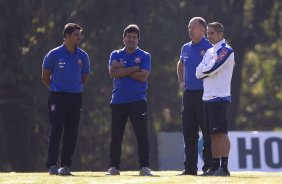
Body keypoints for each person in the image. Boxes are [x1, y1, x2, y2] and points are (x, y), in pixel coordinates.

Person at [41, 23, 90, 176]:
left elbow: (85, 77)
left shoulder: (83, 56)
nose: (78, 38)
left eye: (79, 35)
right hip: (57, 98)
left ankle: (66, 165)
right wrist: (56, 88)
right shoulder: (54, 54)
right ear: (67, 36)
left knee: (72, 132)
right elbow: (45, 76)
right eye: (76, 35)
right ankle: (52, 165)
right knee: (56, 130)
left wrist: (74, 88)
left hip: (75, 98)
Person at [106, 24, 152, 176]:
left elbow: (143, 76)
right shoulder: (115, 54)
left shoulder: (145, 55)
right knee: (116, 136)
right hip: (118, 101)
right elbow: (113, 73)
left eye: (134, 37)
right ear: (123, 38)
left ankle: (144, 167)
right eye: (129, 37)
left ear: (138, 39)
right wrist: (134, 68)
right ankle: (114, 167)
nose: (131, 40)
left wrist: (123, 69)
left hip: (138, 101)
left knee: (141, 135)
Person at [196, 22, 235, 176]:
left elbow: (212, 68)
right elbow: (198, 72)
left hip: (220, 97)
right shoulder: (210, 51)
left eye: (212, 33)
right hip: (207, 97)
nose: (208, 36)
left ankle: (224, 169)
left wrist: (207, 69)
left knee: (221, 133)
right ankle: (214, 167)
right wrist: (207, 69)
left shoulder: (226, 50)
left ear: (220, 34)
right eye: (207, 33)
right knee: (212, 135)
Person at [177, 17, 212, 175]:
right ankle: (190, 169)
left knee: (207, 132)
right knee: (189, 133)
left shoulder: (210, 47)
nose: (190, 30)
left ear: (203, 29)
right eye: (188, 27)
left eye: (193, 27)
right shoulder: (185, 47)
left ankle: (209, 167)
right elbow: (180, 63)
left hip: (205, 95)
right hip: (189, 95)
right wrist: (180, 80)